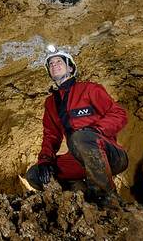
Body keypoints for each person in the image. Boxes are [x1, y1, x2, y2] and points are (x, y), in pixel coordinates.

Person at [25, 45, 129, 207]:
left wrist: (95, 131)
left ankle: (105, 197)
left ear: (70, 67)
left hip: (109, 156)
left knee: (80, 137)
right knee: (35, 174)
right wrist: (45, 160)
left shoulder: (89, 89)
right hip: (77, 161)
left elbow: (119, 115)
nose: (54, 65)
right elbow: (51, 135)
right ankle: (79, 192)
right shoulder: (51, 103)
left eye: (59, 61)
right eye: (50, 64)